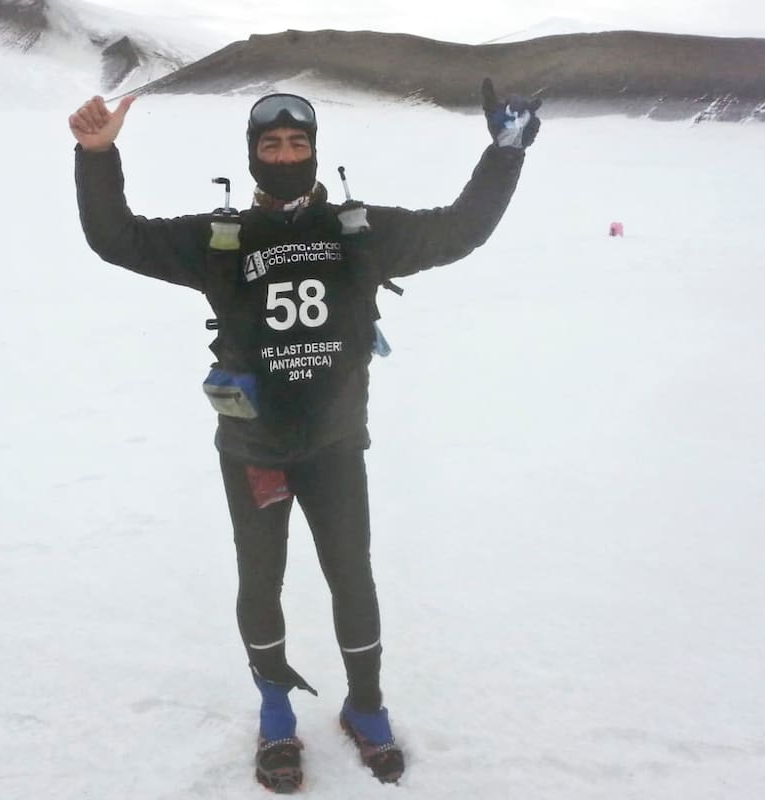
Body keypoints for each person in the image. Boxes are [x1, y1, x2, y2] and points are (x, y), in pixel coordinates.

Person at [70, 80, 539, 791]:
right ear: (253, 155)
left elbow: (460, 229)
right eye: (271, 143)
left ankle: (367, 708)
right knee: (261, 582)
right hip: (254, 452)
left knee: (353, 577)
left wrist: (504, 154)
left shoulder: (360, 231)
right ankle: (276, 713)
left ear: (315, 152)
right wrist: (97, 156)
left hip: (334, 447)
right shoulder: (218, 239)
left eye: (297, 143)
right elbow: (116, 237)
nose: (285, 154)